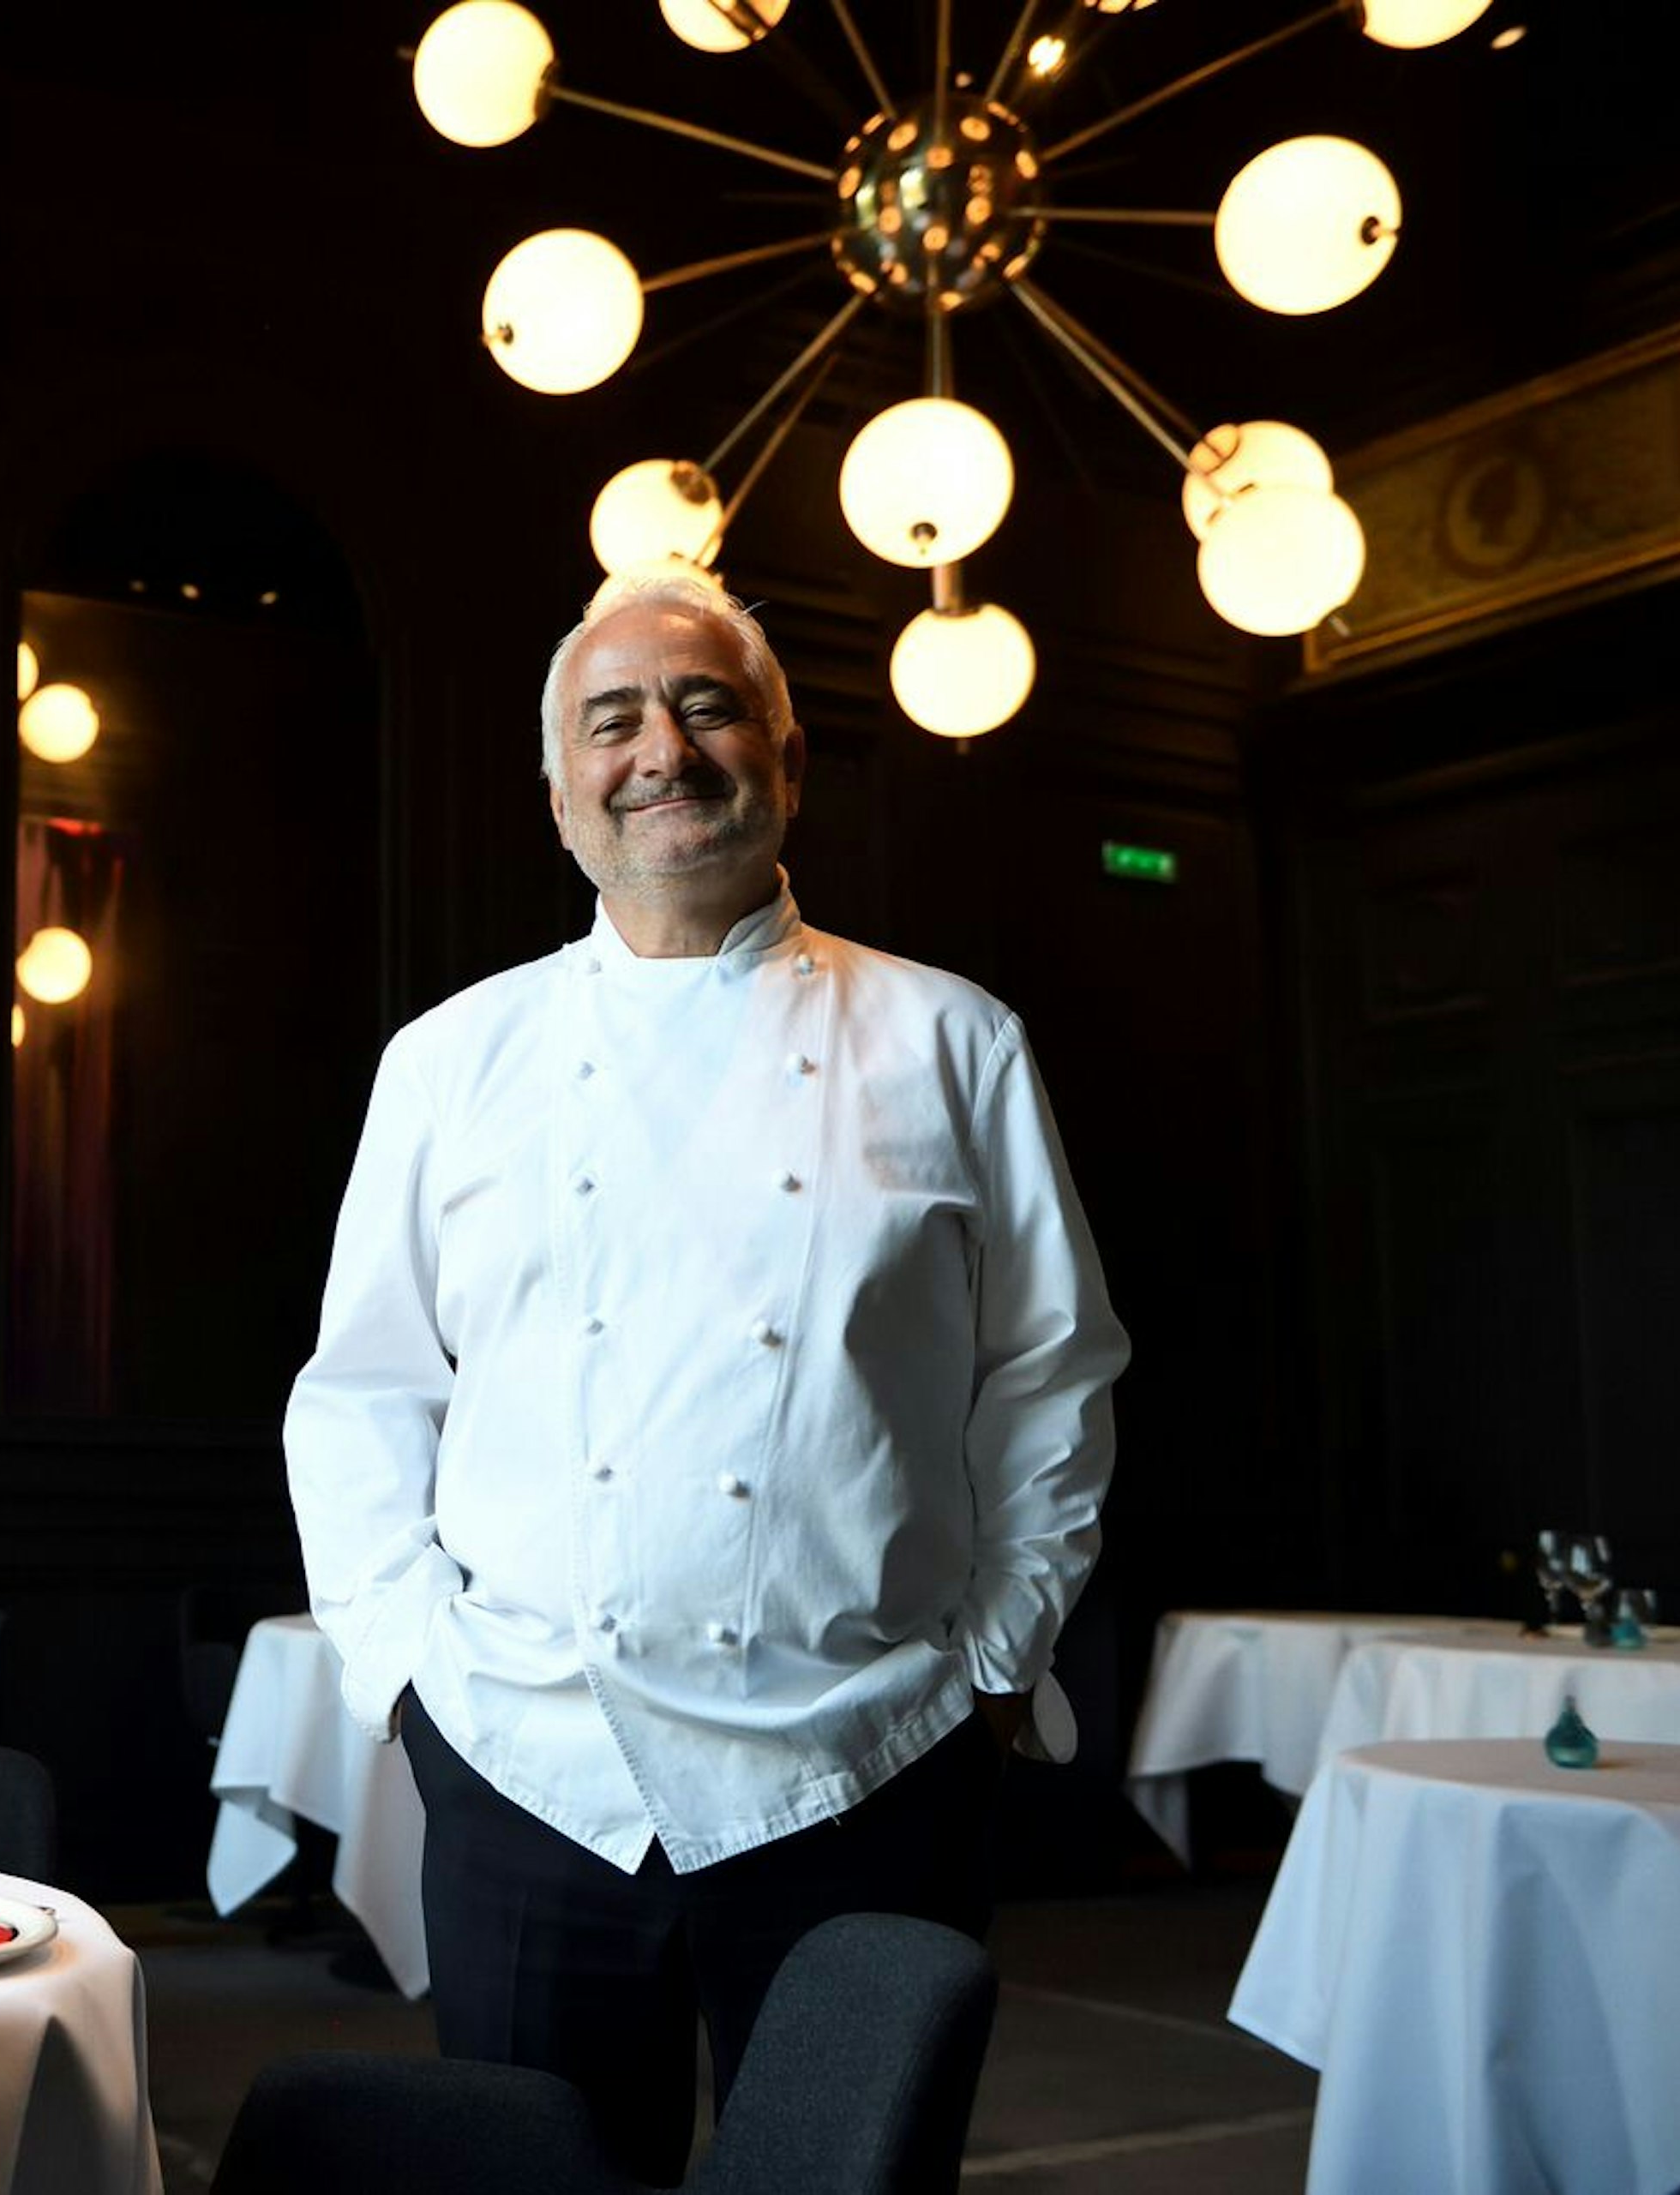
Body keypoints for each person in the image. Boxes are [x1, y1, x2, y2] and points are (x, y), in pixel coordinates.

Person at [282, 565, 1127, 2180]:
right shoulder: (453, 1061)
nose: (663, 747)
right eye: (614, 720)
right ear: (559, 794)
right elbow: (367, 1393)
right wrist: (406, 1672)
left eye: (708, 705)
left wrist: (997, 1666)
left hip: (869, 1761)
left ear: (789, 764)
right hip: (535, 1767)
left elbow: (1050, 1379)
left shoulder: (955, 1041)